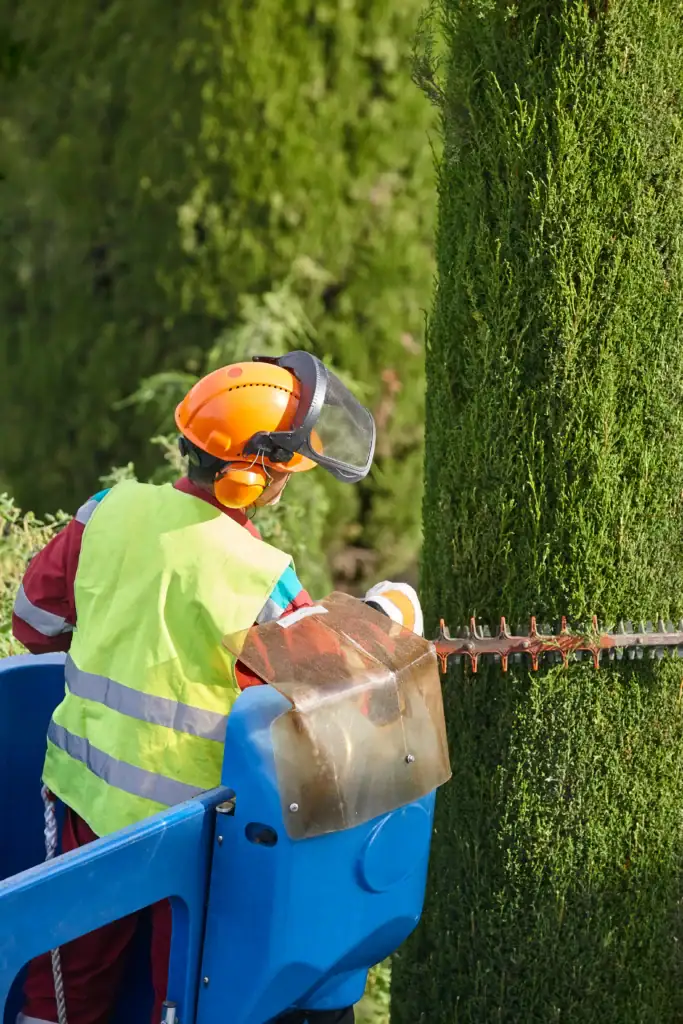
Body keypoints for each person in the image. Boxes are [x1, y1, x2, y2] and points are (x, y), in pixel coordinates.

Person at [11, 352, 423, 1024]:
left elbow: (33, 623)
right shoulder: (261, 574)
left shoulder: (106, 511)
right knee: (185, 997)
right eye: (284, 470)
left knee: (63, 993)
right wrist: (385, 619)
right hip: (195, 836)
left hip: (84, 807)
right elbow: (330, 696)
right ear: (248, 477)